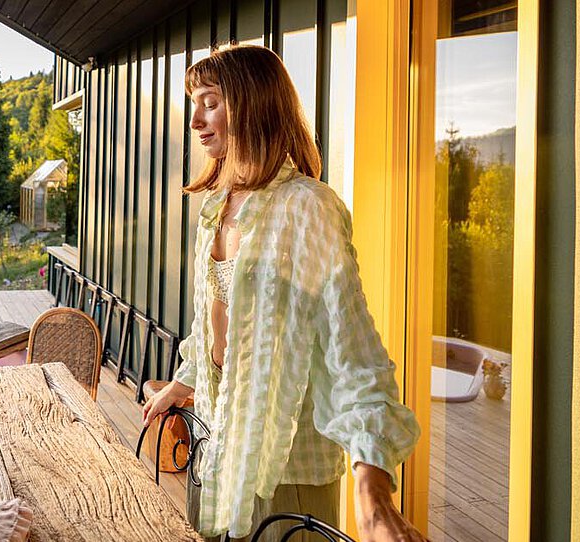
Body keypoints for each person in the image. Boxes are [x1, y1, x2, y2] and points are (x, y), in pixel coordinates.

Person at [140, 44, 426, 542]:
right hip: (216, 451)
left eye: (210, 102)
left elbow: (356, 357)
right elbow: (212, 323)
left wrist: (373, 498)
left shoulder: (308, 207)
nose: (196, 121)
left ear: (252, 104)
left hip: (285, 472)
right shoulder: (217, 207)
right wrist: (182, 383)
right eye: (194, 104)